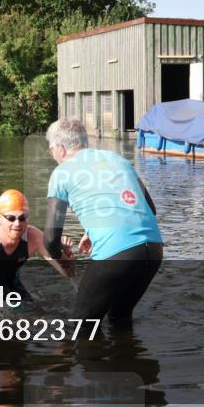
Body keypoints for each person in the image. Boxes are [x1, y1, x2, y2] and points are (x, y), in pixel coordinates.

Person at [44, 118, 163, 327]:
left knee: (82, 328)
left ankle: (90, 359)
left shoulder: (61, 173)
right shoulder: (118, 160)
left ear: (61, 148)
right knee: (120, 318)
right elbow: (149, 210)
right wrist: (93, 232)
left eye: (51, 149)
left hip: (117, 254)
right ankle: (129, 357)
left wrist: (60, 256)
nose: (51, 154)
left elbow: (51, 238)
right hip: (153, 250)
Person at [0, 189, 73, 312]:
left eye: (23, 217)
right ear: (0, 217)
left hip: (11, 282)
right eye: (11, 218)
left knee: (34, 314)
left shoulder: (34, 238)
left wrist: (63, 253)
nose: (17, 224)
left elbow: (68, 274)